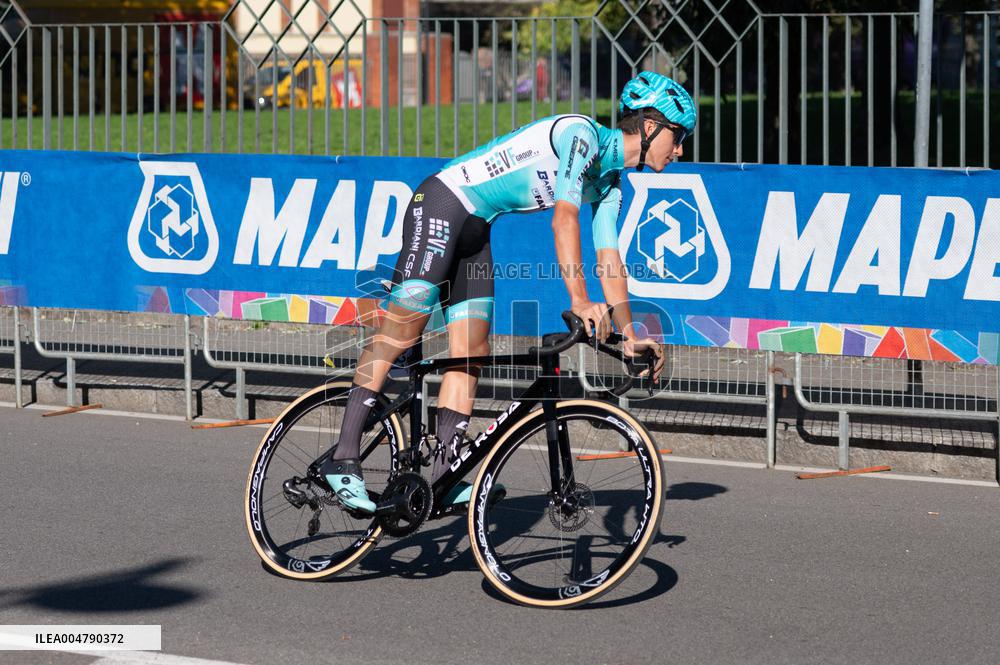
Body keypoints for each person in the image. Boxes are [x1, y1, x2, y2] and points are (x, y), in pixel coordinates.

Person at [321, 72, 697, 513]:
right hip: (443, 202)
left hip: (476, 228)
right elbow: (563, 220)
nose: (681, 149)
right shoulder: (582, 135)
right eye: (678, 135)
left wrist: (630, 334)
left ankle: (443, 476)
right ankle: (343, 455)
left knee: (471, 350)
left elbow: (609, 258)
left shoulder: (611, 181)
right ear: (651, 128)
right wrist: (578, 300)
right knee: (403, 329)